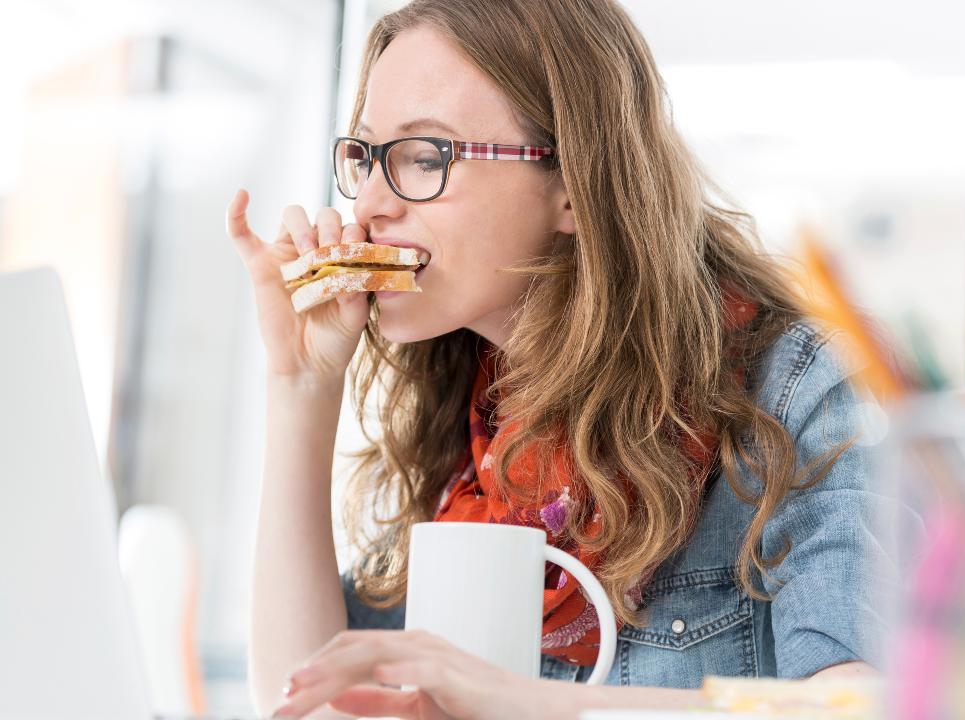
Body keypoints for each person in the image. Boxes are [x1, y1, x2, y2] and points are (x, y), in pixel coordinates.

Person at [224, 1, 884, 717]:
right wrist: (301, 388)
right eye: (366, 156)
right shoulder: (468, 433)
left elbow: (856, 707)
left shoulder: (791, 393)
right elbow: (309, 705)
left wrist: (520, 703)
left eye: (424, 157)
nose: (370, 204)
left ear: (572, 184)